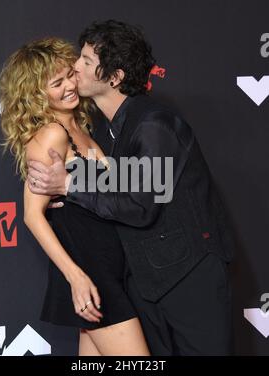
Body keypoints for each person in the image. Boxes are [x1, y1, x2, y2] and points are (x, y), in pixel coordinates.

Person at [27, 21, 235, 356]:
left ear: (114, 77)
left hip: (189, 278)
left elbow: (140, 202)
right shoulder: (117, 130)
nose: (74, 68)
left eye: (85, 62)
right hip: (147, 280)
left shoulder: (153, 123)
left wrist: (69, 184)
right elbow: (126, 184)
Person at [0, 37, 150, 356]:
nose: (70, 85)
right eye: (57, 82)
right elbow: (32, 215)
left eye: (69, 74)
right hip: (90, 270)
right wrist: (76, 278)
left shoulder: (82, 127)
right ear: (36, 94)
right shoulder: (51, 134)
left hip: (112, 267)